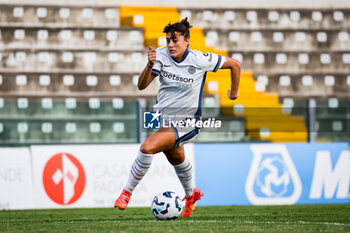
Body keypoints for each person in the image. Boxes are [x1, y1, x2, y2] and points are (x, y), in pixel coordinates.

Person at [114, 18, 240, 218]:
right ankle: (191, 196)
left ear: (187, 41)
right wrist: (149, 64)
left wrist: (233, 93)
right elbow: (141, 86)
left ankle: (126, 193)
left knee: (147, 147)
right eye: (168, 41)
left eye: (175, 40)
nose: (170, 45)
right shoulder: (161, 56)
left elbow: (234, 64)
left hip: (187, 120)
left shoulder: (200, 59)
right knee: (176, 157)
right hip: (161, 116)